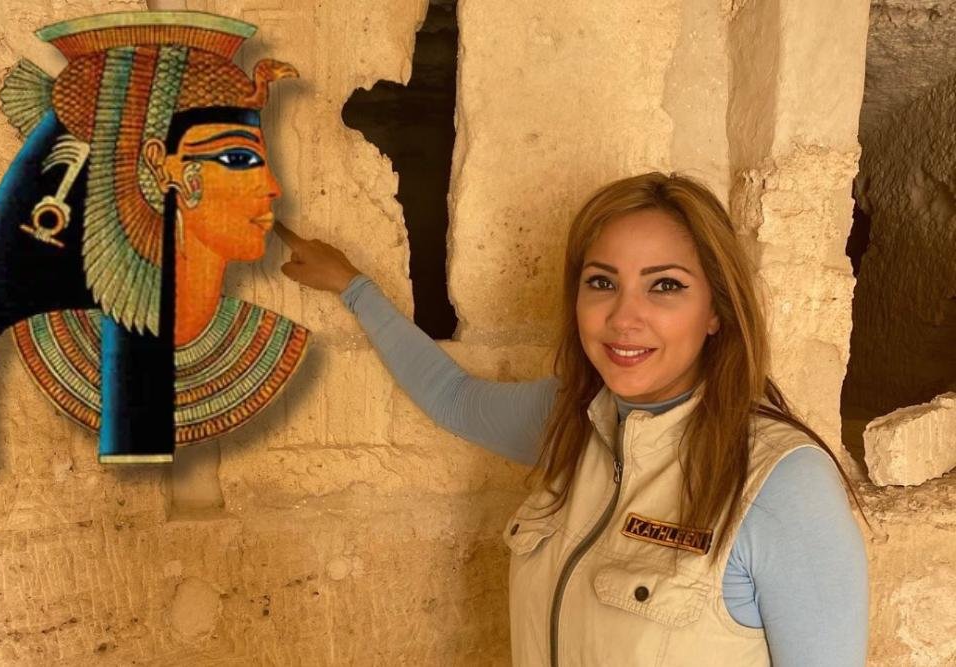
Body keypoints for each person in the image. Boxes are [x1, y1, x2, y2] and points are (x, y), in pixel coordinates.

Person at [277, 172, 868, 665]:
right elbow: (451, 397)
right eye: (602, 282)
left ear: (716, 310)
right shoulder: (570, 421)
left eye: (665, 285)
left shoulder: (780, 483)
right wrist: (352, 286)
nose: (623, 318)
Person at [0, 12, 309, 463]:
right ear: (162, 168)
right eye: (239, 159)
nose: (273, 187)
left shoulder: (274, 338)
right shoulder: (44, 341)